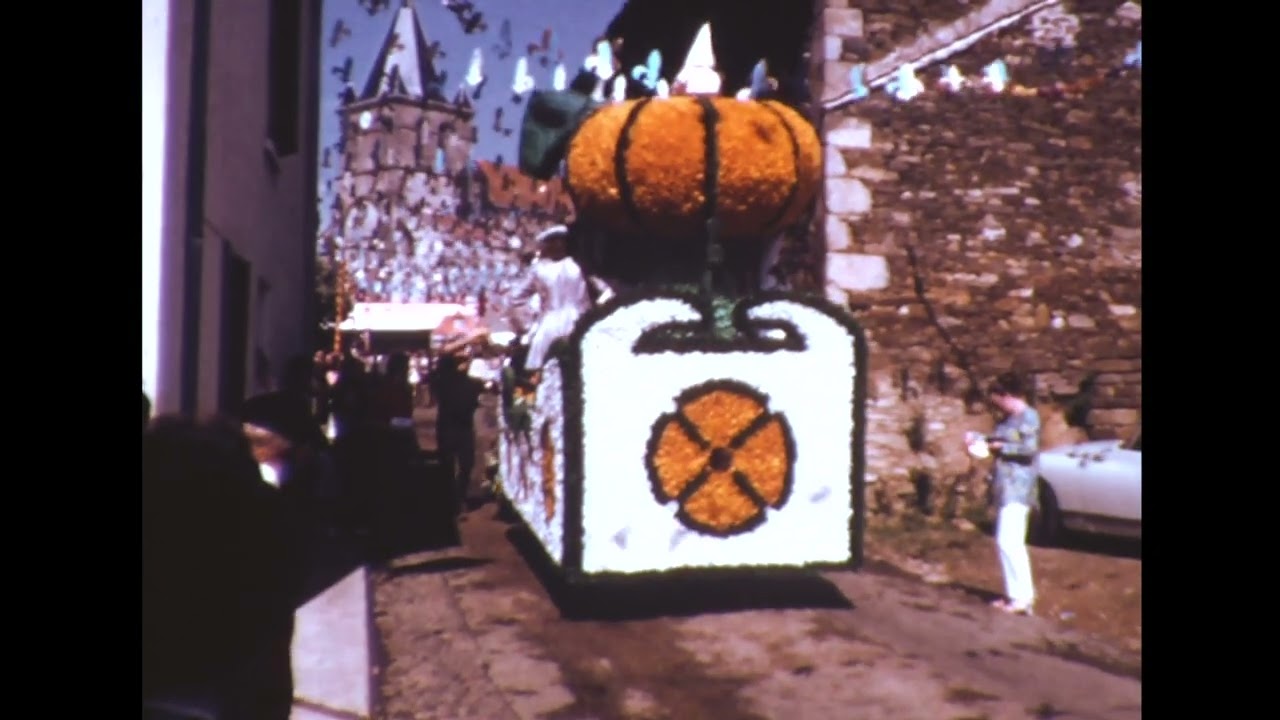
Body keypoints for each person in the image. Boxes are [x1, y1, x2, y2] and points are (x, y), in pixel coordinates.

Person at [508, 224, 613, 372]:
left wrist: (528, 324)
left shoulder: (577, 264)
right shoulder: (540, 269)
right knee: (555, 368)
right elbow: (515, 298)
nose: (558, 245)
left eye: (561, 241)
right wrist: (528, 325)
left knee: (580, 365)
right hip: (563, 322)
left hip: (569, 321)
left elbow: (605, 290)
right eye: (554, 242)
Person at [981, 372, 1042, 615]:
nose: (997, 406)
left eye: (998, 400)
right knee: (1007, 541)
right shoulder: (1009, 420)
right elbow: (997, 440)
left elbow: (1029, 449)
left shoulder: (1029, 417)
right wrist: (981, 441)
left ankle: (1022, 597)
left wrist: (1002, 447)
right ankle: (1016, 595)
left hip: (1019, 488)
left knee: (1010, 541)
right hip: (1005, 487)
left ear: (1007, 396)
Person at [428, 349, 486, 514]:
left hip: (449, 427)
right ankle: (457, 498)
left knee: (448, 465)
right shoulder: (470, 383)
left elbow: (433, 378)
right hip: (462, 428)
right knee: (464, 465)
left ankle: (450, 498)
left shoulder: (440, 383)